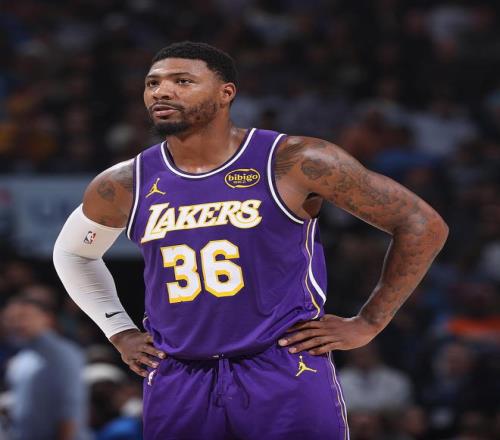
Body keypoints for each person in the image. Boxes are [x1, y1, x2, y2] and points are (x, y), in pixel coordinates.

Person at [53, 41, 448, 439]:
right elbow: (73, 253)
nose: (162, 91)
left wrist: (369, 322)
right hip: (178, 374)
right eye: (152, 83)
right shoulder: (125, 181)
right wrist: (119, 330)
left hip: (282, 365)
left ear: (226, 93)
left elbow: (421, 224)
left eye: (182, 81)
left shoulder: (294, 160)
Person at [2, 295, 88, 440]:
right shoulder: (22, 356)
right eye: (11, 318)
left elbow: (70, 406)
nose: (17, 323)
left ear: (47, 318)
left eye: (24, 316)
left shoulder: (63, 353)